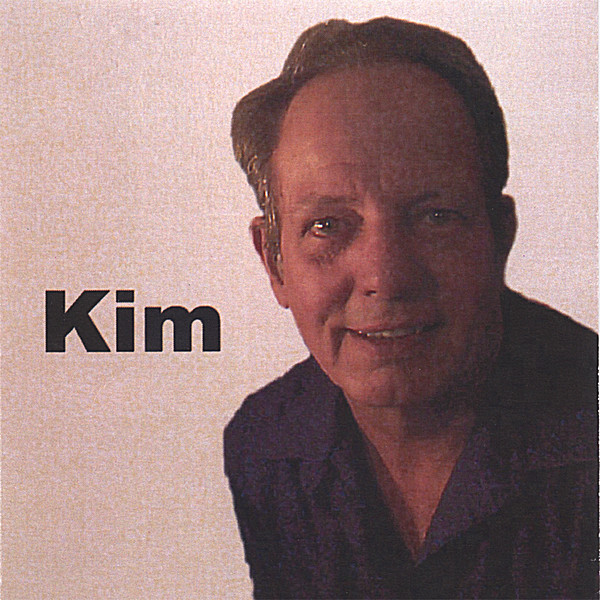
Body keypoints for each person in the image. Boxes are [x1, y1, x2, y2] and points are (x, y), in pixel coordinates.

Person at [224, 17, 598, 599]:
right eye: (328, 226)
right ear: (274, 262)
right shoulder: (267, 444)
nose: (385, 277)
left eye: (435, 217)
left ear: (499, 238)